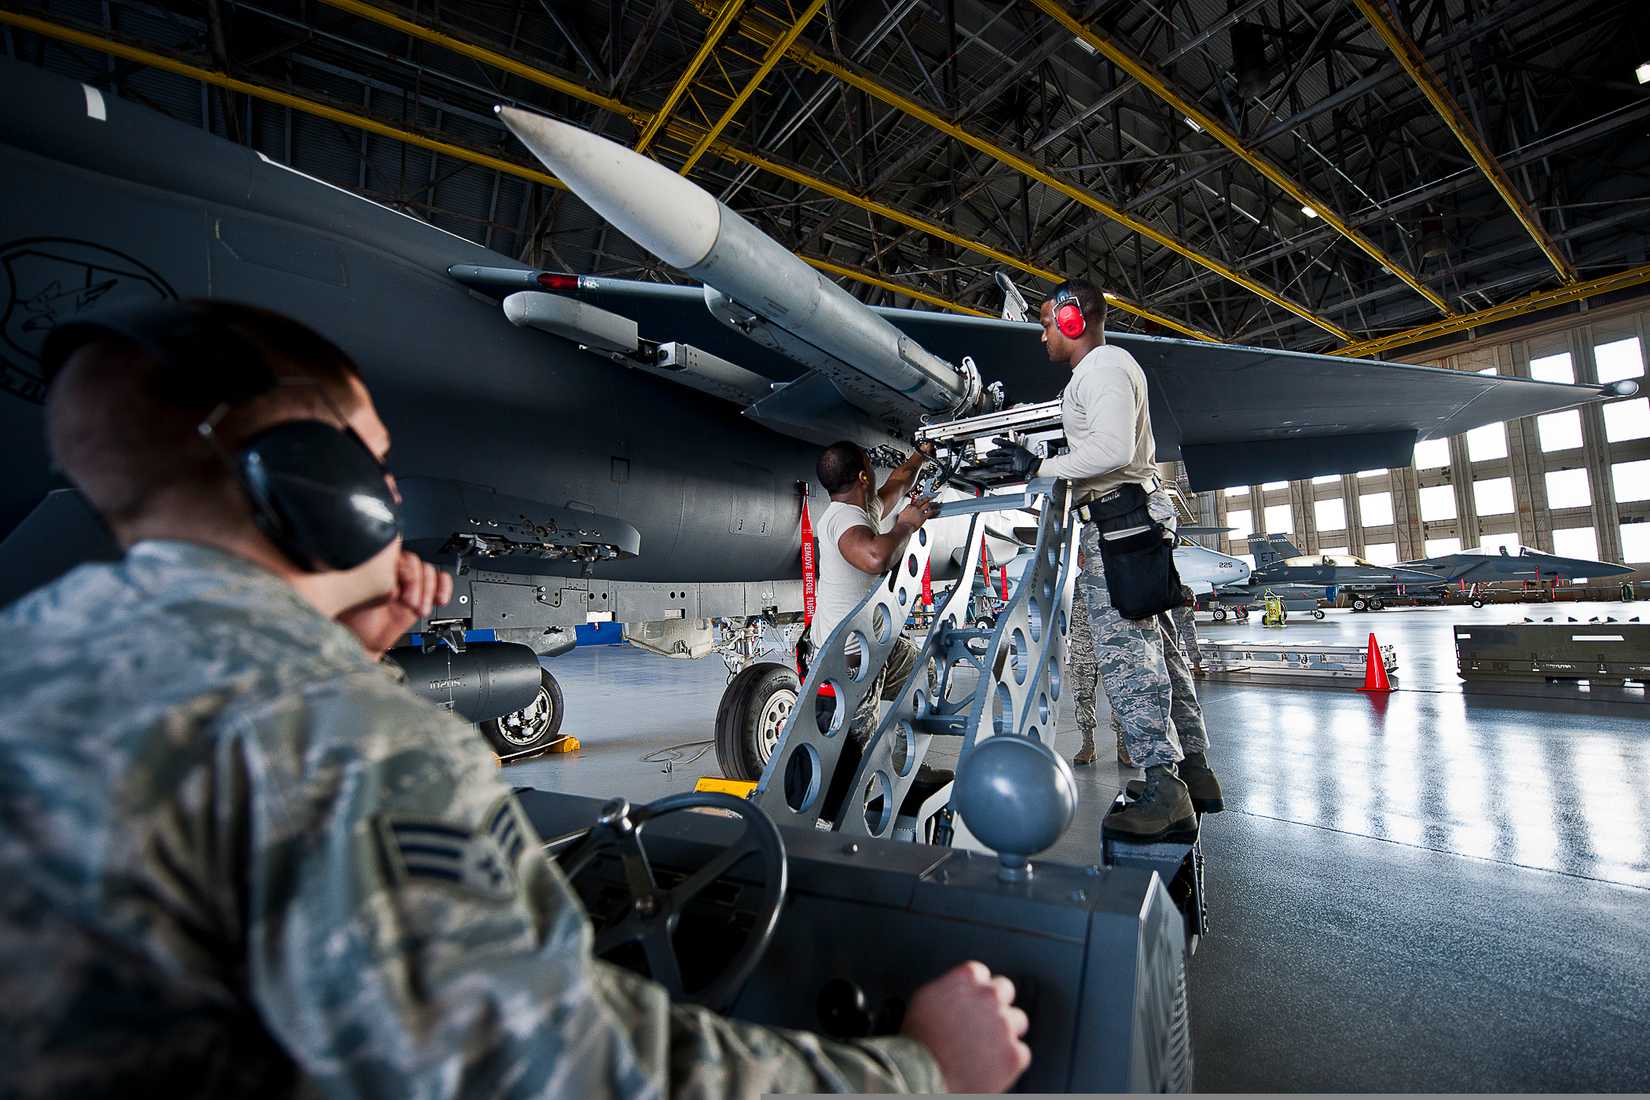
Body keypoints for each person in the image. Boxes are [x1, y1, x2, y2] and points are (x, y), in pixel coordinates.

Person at [0, 301, 1031, 1097]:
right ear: (319, 482)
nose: (392, 496)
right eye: (376, 463)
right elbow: (572, 1070)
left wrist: (331, 640)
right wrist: (920, 1068)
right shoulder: (347, 746)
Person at [984, 282, 1223, 840]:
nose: (1041, 335)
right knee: (1159, 648)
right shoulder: (1103, 372)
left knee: (1126, 658)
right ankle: (1193, 768)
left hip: (1118, 527)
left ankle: (1165, 790)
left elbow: (1113, 450)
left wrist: (1037, 466)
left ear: (1072, 321)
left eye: (1046, 323)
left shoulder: (1101, 369)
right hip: (1132, 521)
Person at [808, 440, 943, 814]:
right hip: (849, 658)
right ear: (864, 475)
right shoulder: (842, 520)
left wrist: (922, 454)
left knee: (925, 676)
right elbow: (875, 557)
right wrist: (905, 526)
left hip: (877, 644)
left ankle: (903, 768)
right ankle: (848, 811)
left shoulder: (862, 508)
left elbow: (898, 482)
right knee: (854, 749)